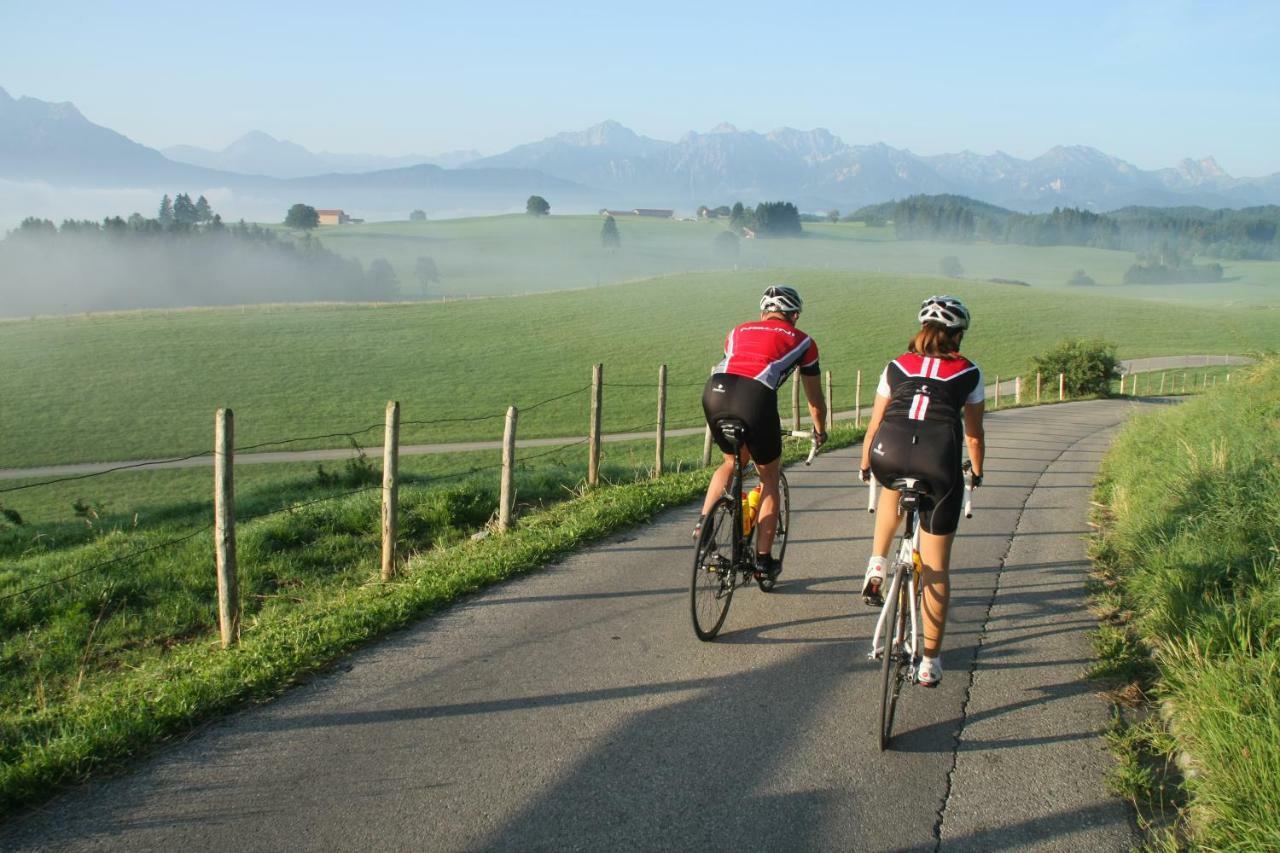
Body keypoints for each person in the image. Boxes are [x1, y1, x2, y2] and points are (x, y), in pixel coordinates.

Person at [858, 295, 985, 687]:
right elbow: (974, 436)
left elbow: (876, 421)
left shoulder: (895, 365)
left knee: (892, 482)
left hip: (888, 451)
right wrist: (976, 472)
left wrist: (866, 464)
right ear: (957, 336)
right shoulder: (970, 371)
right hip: (938, 462)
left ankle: (878, 560)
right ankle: (929, 660)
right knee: (936, 567)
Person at [698, 285, 828, 581]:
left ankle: (704, 526)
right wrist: (820, 431)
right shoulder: (804, 341)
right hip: (754, 397)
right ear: (794, 315)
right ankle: (763, 559)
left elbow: (737, 366)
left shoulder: (737, 330)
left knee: (731, 462)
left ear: (762, 313)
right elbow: (814, 400)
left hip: (715, 391)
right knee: (769, 476)